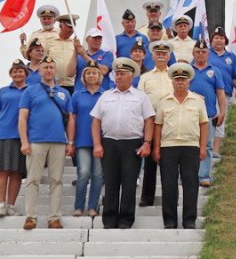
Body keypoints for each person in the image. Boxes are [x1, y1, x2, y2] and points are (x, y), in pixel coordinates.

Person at [90, 58, 155, 229]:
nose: (118, 77)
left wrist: (147, 143)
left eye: (122, 74)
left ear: (131, 76)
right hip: (110, 143)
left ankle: (126, 219)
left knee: (129, 183)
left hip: (131, 144)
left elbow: (149, 120)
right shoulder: (105, 96)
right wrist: (97, 144)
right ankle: (109, 219)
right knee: (111, 182)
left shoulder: (141, 97)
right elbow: (96, 121)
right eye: (117, 73)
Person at [18, 56, 73, 230]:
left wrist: (70, 141)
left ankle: (54, 217)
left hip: (58, 141)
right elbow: (22, 117)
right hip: (36, 141)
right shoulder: (30, 91)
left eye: (51, 67)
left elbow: (70, 119)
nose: (48, 70)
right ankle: (31, 217)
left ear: (55, 70)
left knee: (56, 180)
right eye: (45, 67)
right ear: (39, 71)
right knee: (33, 180)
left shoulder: (64, 93)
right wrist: (24, 141)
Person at [152, 63, 209, 229]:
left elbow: (204, 124)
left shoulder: (198, 101)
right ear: (172, 82)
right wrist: (156, 148)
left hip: (191, 146)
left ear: (189, 82)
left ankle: (189, 220)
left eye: (183, 80)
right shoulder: (164, 102)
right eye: (177, 80)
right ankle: (169, 220)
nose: (180, 83)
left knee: (190, 184)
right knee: (169, 185)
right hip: (168, 147)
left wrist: (203, 147)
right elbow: (158, 125)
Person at [136, 41, 177, 207]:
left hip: (171, 122)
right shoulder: (145, 78)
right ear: (152, 56)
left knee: (169, 162)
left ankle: (169, 197)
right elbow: (139, 101)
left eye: (164, 54)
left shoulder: (175, 75)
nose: (161, 56)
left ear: (169, 56)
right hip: (152, 122)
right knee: (151, 162)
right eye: (158, 54)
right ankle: (147, 197)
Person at [0, 58, 28, 217]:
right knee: (1, 171)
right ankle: (1, 204)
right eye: (15, 71)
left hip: (21, 137)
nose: (18, 73)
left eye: (20, 71)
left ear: (26, 74)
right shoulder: (3, 91)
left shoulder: (30, 91)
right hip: (2, 135)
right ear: (11, 74)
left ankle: (11, 205)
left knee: (16, 173)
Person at [68, 60, 104, 217]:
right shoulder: (76, 95)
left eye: (94, 72)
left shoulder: (105, 95)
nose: (91, 75)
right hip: (82, 140)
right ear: (83, 76)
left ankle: (93, 207)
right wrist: (71, 140)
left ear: (99, 76)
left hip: (101, 141)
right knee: (83, 173)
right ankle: (78, 206)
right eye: (88, 72)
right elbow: (72, 119)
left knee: (98, 174)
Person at [190, 39, 227, 187]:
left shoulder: (215, 71)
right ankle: (190, 175)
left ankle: (204, 176)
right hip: (190, 116)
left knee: (207, 146)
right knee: (190, 146)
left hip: (208, 115)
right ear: (193, 53)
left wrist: (222, 112)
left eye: (203, 52)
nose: (200, 54)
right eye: (197, 52)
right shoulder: (187, 71)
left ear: (208, 53)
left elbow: (220, 93)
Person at [209, 26, 236, 157]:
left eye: (221, 38)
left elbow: (235, 77)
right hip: (208, 93)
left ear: (226, 41)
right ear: (211, 40)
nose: (218, 40)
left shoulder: (231, 57)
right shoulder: (205, 53)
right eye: (216, 38)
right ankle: (205, 148)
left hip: (224, 94)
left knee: (220, 120)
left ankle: (215, 150)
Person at [67, 28, 114, 92]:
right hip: (80, 94)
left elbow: (103, 71)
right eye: (94, 38)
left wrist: (84, 55)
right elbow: (69, 73)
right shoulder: (79, 56)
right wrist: (76, 50)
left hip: (99, 94)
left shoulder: (107, 54)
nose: (97, 40)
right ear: (87, 40)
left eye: (99, 38)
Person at [45, 14, 80, 93]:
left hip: (72, 85)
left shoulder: (76, 44)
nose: (71, 30)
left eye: (73, 28)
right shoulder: (49, 42)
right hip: (53, 84)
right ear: (60, 26)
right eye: (69, 27)